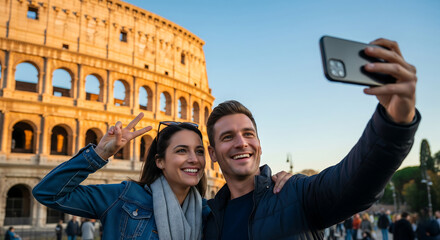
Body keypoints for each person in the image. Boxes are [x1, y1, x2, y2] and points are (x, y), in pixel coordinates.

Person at [203, 38, 420, 239]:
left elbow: (355, 181)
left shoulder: (296, 194)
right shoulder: (206, 218)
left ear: (259, 146)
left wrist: (393, 123)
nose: (241, 142)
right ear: (212, 153)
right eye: (228, 137)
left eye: (248, 134)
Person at [32, 114, 292, 239]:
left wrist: (276, 182)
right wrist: (99, 154)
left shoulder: (208, 212)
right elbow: (48, 192)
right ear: (159, 161)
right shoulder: (122, 198)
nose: (193, 159)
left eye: (199, 151)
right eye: (181, 151)